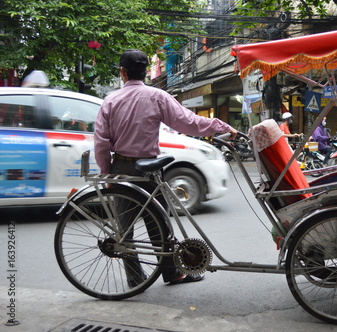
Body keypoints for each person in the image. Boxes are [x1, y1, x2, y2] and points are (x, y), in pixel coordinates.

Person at [94, 49, 237, 286]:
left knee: (124, 229)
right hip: (148, 169)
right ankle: (171, 272)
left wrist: (107, 172)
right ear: (144, 72)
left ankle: (135, 279)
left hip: (121, 167)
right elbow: (190, 122)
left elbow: (101, 143)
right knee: (159, 222)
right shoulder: (157, 96)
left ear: (123, 72)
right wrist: (220, 126)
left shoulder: (110, 101)